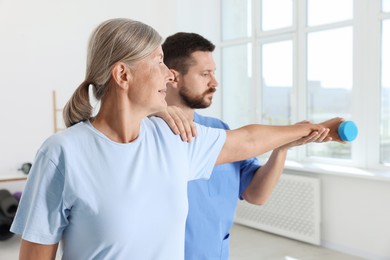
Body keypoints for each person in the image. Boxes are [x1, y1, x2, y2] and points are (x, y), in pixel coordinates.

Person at [10, 18, 342, 260]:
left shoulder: (172, 138)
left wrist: (309, 130)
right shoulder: (64, 152)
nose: (169, 74)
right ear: (123, 74)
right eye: (158, 63)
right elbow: (36, 254)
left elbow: (248, 140)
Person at [161, 32, 332, 259]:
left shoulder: (220, 130)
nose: (214, 82)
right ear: (173, 78)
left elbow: (256, 194)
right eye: (205, 74)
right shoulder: (147, 133)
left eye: (213, 73)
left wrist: (282, 148)